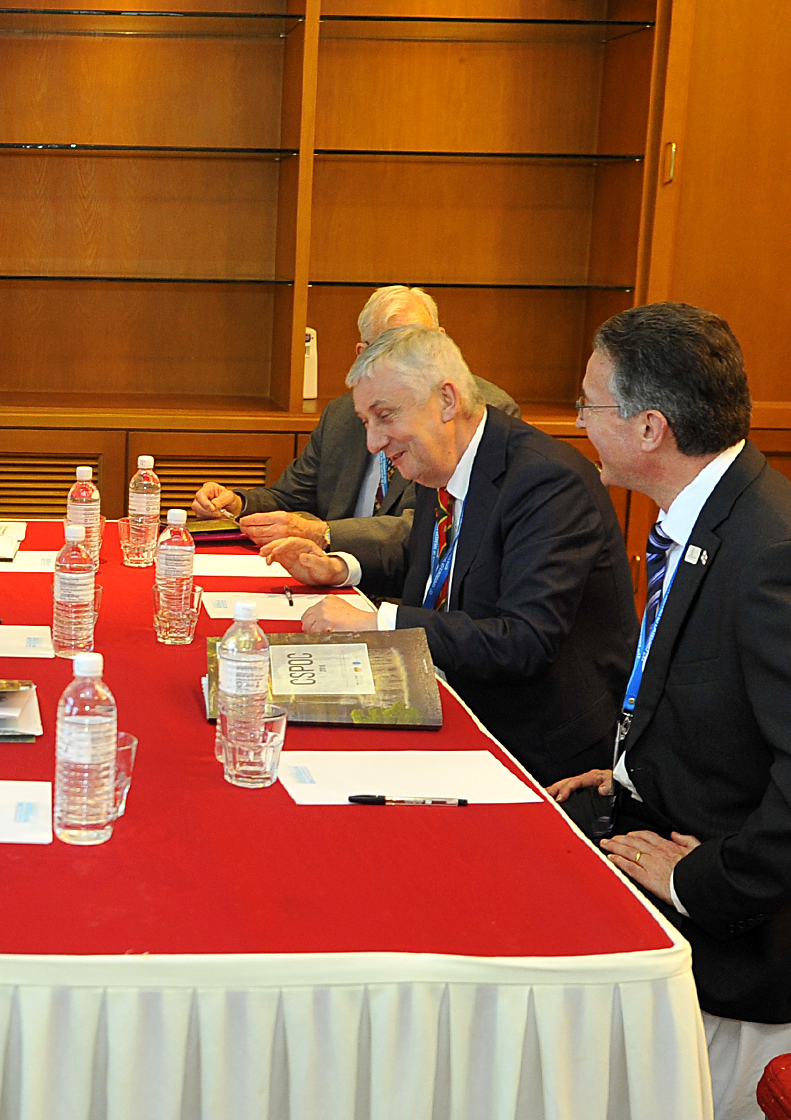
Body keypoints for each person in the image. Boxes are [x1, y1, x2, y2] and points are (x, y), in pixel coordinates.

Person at [547, 302, 791, 1023]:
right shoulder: (703, 514)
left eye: (589, 404)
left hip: (750, 920)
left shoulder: (778, 557)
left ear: (650, 428)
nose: (579, 422)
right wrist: (634, 770)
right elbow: (715, 697)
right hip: (658, 815)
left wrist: (699, 883)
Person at [266, 324, 637, 794]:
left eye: (385, 416)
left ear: (446, 400)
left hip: (536, 752)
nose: (373, 443)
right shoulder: (441, 460)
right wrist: (341, 567)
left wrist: (379, 622)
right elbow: (437, 559)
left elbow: (523, 640)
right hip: (443, 703)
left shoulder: (546, 482)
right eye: (365, 422)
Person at [191, 285, 519, 584]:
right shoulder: (342, 413)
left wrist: (326, 534)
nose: (375, 442)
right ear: (363, 353)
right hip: (330, 579)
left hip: (398, 592)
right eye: (390, 350)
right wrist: (238, 503)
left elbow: (429, 530)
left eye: (418, 345)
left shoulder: (477, 414)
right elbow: (292, 497)